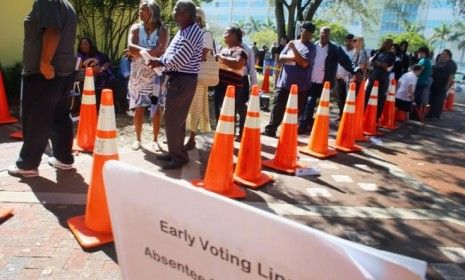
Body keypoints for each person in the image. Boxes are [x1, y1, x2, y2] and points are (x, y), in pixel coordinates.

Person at [8, 0, 77, 178]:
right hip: (64, 71)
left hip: (43, 72)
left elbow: (53, 30)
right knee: (60, 116)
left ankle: (28, 164)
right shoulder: (67, 5)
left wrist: (45, 62)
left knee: (36, 117)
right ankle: (64, 159)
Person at [148, 0, 203, 169]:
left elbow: (179, 59)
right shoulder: (184, 30)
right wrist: (161, 61)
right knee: (175, 119)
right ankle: (176, 153)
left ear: (187, 14)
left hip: (183, 79)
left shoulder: (192, 32)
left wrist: (160, 62)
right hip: (179, 79)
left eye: (177, 11)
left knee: (173, 119)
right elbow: (172, 54)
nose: (173, 14)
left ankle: (178, 156)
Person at [299, 26, 361, 134]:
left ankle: (308, 125)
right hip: (310, 81)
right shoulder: (313, 46)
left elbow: (345, 60)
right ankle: (307, 123)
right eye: (322, 33)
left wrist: (355, 70)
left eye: (326, 34)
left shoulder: (335, 48)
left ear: (329, 35)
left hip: (325, 82)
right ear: (319, 33)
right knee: (307, 102)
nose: (324, 35)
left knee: (316, 103)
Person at [126, 0, 169, 151]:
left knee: (156, 107)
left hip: (156, 74)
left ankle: (155, 140)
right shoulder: (136, 27)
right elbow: (130, 47)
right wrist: (148, 50)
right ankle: (137, 139)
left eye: (143, 9)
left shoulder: (163, 29)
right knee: (139, 106)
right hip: (138, 73)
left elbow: (162, 50)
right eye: (139, 9)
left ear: (152, 12)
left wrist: (140, 52)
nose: (139, 12)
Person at [262, 21, 316, 138]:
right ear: (301, 30)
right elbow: (281, 57)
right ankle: (270, 130)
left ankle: (288, 134)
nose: (306, 34)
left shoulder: (311, 48)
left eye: (310, 32)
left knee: (294, 111)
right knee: (277, 107)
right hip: (284, 83)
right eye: (305, 31)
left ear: (312, 34)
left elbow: (303, 63)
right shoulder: (292, 42)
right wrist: (293, 56)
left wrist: (293, 51)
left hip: (300, 87)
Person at [184, 7, 213, 151]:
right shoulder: (188, 32)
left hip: (199, 76)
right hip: (187, 74)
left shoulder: (205, 34)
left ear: (199, 18)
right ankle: (180, 137)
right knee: (184, 107)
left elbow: (202, 55)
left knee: (195, 108)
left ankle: (192, 139)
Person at [213, 26, 248, 138]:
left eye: (226, 32)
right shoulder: (223, 50)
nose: (224, 35)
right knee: (219, 112)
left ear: (233, 35)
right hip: (219, 86)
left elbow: (238, 64)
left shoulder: (241, 51)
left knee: (229, 113)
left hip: (232, 89)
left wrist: (221, 57)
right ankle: (221, 136)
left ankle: (228, 137)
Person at [76, 37, 124, 112]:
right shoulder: (80, 55)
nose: (83, 46)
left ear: (90, 45)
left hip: (104, 75)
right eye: (81, 44)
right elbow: (77, 69)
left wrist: (102, 68)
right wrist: (91, 70)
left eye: (85, 44)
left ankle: (117, 107)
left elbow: (107, 62)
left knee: (115, 82)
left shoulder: (98, 54)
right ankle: (101, 107)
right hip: (90, 77)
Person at [365, 39, 396, 119]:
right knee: (367, 95)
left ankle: (376, 117)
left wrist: (378, 63)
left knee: (380, 99)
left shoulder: (392, 55)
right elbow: (371, 62)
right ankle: (364, 113)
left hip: (383, 80)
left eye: (385, 43)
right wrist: (381, 64)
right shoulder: (378, 52)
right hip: (373, 77)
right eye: (383, 42)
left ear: (390, 45)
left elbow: (388, 67)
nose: (383, 44)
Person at [427, 49, 457, 120]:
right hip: (434, 84)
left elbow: (451, 76)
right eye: (441, 54)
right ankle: (430, 114)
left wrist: (446, 87)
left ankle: (435, 116)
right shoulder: (439, 61)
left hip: (443, 85)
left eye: (443, 54)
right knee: (432, 100)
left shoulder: (451, 64)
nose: (441, 55)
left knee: (438, 101)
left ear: (448, 55)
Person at [335, 33, 355, 117]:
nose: (349, 43)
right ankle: (341, 114)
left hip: (350, 79)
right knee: (339, 97)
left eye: (351, 41)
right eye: (347, 41)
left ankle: (347, 115)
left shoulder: (355, 51)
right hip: (338, 76)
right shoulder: (340, 49)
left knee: (348, 97)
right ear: (345, 41)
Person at [413, 47, 432, 121]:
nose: (418, 54)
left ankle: (415, 115)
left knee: (416, 99)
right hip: (423, 82)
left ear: (423, 53)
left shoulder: (424, 61)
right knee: (418, 99)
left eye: (419, 52)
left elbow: (418, 71)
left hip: (420, 82)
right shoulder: (427, 60)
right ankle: (416, 115)